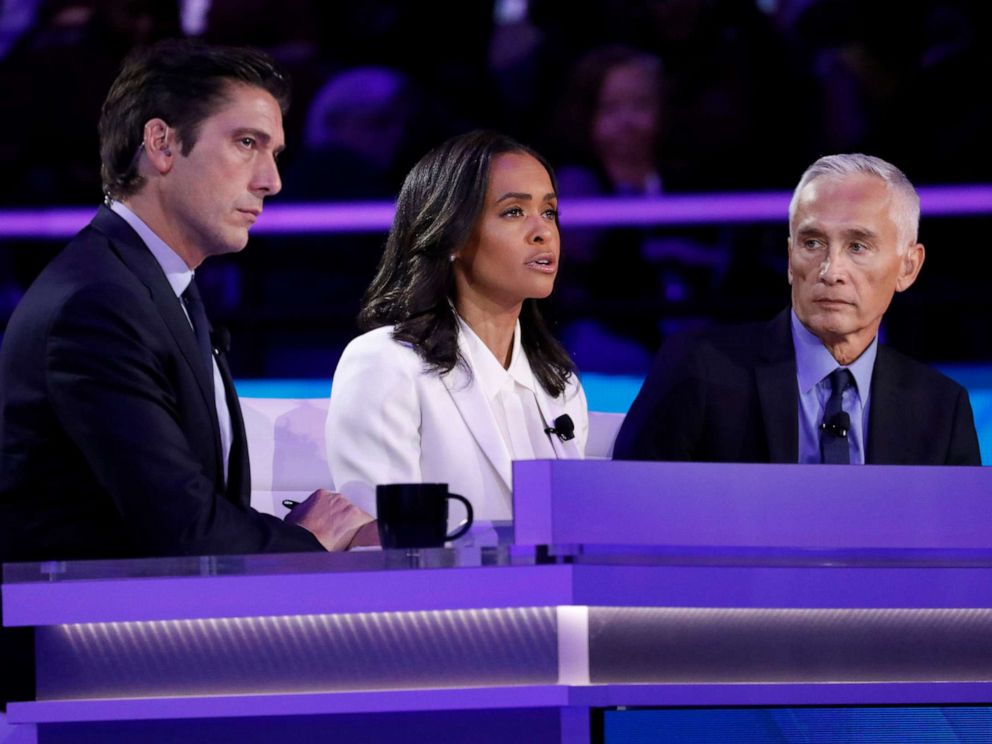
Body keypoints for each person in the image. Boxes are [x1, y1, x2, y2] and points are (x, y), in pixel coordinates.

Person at [0, 39, 373, 565]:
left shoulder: (150, 285)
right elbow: (184, 534)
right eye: (247, 143)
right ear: (162, 144)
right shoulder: (98, 305)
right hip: (87, 641)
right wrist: (309, 542)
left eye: (274, 153)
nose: (271, 181)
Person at [614, 153, 980, 465]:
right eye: (813, 242)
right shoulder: (701, 370)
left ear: (908, 267)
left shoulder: (942, 410)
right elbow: (626, 517)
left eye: (857, 246)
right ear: (791, 259)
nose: (831, 270)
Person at [325, 130, 588, 528]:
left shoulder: (559, 384)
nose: (543, 231)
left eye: (549, 212)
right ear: (453, 235)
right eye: (514, 212)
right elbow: (384, 550)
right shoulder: (386, 364)